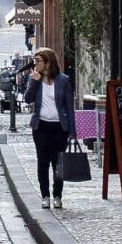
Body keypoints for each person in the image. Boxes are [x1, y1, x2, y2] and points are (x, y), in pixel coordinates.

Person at [24, 47, 75, 210]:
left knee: (58, 164)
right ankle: (45, 195)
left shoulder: (63, 80)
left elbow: (69, 106)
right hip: (41, 127)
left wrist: (72, 130)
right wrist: (34, 80)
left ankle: (57, 196)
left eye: (38, 61)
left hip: (59, 128)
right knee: (42, 162)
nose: (35, 64)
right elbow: (27, 99)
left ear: (47, 62)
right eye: (35, 61)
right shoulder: (35, 78)